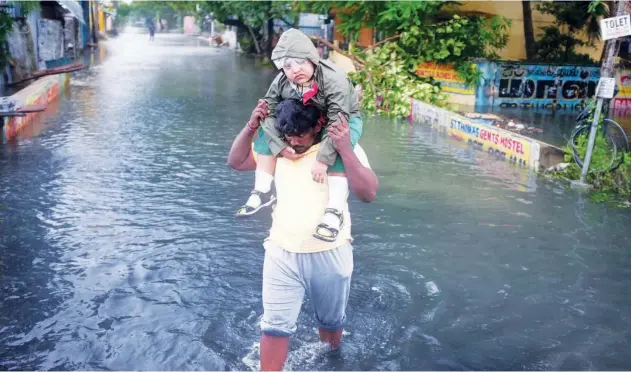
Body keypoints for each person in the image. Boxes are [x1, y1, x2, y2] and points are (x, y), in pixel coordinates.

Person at [227, 99, 378, 371]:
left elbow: (368, 194)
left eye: (301, 136)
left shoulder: (341, 146)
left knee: (331, 328)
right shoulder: (278, 148)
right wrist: (251, 126)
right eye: (289, 136)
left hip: (331, 252)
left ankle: (332, 363)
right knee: (273, 327)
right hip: (281, 251)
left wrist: (344, 147)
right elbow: (236, 162)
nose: (294, 142)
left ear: (318, 125)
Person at [235, 28, 363, 244]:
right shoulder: (281, 81)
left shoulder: (334, 80)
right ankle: (263, 190)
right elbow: (268, 111)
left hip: (342, 119)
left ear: (312, 59)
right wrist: (279, 146)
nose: (295, 70)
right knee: (269, 131)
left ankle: (334, 211)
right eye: (288, 66)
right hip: (306, 119)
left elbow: (338, 120)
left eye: (300, 62)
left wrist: (323, 160)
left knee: (341, 144)